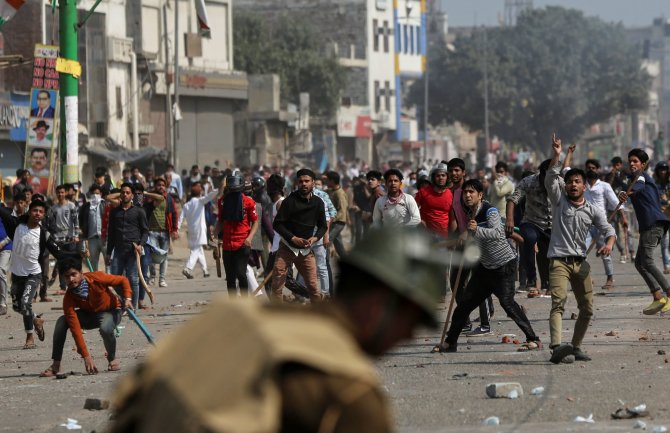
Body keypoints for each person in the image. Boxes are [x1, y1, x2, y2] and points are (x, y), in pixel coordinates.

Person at [107, 226, 445, 433]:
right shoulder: (351, 389)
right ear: (377, 305)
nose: (409, 337)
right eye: (411, 321)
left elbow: (134, 396)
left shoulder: (232, 312)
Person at [437, 179, 542, 353]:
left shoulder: (489, 210)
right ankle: (450, 343)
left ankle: (533, 339)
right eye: (465, 192)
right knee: (464, 305)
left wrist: (476, 230)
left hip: (503, 265)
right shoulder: (469, 212)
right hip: (485, 267)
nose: (467, 195)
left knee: (508, 304)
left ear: (480, 195)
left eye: (471, 192)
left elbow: (497, 233)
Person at [545, 136, 616, 364]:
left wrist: (609, 244)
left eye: (577, 181)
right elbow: (550, 177)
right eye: (569, 182)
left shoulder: (593, 209)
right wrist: (557, 155)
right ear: (565, 185)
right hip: (559, 261)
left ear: (584, 185)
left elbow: (608, 229)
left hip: (580, 263)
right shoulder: (558, 200)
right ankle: (556, 347)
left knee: (587, 309)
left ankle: (575, 347)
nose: (573, 185)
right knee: (558, 302)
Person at [39, 258, 132, 376]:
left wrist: (128, 298)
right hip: (90, 315)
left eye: (74, 274)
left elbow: (123, 280)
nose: (71, 279)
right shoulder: (69, 298)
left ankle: (112, 358)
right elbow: (76, 329)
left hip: (112, 311)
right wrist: (86, 356)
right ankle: (56, 365)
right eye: (67, 277)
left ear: (81, 273)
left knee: (106, 328)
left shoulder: (97, 277)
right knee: (62, 321)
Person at [0, 200, 66, 349]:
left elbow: (59, 252)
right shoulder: (16, 225)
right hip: (17, 274)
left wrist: (77, 256)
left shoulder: (44, 233)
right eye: (35, 210)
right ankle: (36, 319)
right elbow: (3, 212)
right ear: (30, 211)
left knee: (25, 303)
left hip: (33, 274)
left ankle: (30, 337)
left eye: (41, 212)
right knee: (18, 307)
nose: (37, 214)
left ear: (43, 215)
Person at [619, 149, 670, 316]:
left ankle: (668, 293)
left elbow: (638, 186)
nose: (632, 164)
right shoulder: (632, 180)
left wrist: (629, 192)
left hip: (654, 224)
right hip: (648, 226)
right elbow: (628, 191)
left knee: (647, 261)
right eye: (630, 161)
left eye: (635, 161)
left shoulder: (642, 177)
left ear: (643, 164)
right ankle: (657, 296)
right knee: (639, 263)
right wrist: (623, 194)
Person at [271, 168, 326, 303]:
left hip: (306, 250)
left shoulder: (318, 202)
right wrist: (293, 238)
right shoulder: (289, 201)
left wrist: (315, 238)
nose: (304, 184)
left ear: (313, 183)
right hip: (287, 247)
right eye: (301, 181)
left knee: (313, 286)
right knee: (277, 282)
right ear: (297, 183)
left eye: (307, 181)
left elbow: (323, 226)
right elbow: (277, 224)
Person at [506, 159, 553, 296]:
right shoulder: (529, 181)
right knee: (529, 239)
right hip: (531, 221)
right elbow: (512, 200)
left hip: (551, 224)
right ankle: (531, 279)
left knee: (547, 253)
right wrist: (510, 220)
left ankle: (546, 282)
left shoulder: (559, 182)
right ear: (542, 174)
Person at [106, 183, 149, 309]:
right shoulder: (114, 212)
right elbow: (111, 234)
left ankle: (132, 308)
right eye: (123, 192)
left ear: (132, 195)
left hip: (133, 251)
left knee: (133, 279)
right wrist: (109, 252)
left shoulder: (139, 212)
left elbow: (145, 231)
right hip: (118, 251)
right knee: (115, 280)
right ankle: (121, 304)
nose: (125, 195)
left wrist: (141, 245)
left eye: (127, 192)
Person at [216, 175, 259, 297]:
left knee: (241, 273)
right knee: (230, 277)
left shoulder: (249, 202)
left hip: (243, 244)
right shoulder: (222, 202)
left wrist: (249, 238)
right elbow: (220, 221)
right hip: (227, 244)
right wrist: (214, 235)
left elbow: (255, 222)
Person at [582, 158, 621, 290]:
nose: (591, 170)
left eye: (593, 168)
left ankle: (610, 278)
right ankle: (587, 278)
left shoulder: (604, 186)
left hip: (601, 224)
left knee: (605, 252)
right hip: (585, 224)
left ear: (598, 169)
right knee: (582, 252)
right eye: (588, 168)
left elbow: (615, 203)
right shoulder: (581, 185)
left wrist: (623, 218)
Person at [143, 177, 178, 288]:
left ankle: (162, 279)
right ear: (155, 186)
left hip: (165, 232)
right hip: (152, 231)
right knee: (152, 256)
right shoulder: (149, 199)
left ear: (166, 187)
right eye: (159, 185)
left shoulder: (169, 199)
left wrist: (175, 229)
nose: (161, 187)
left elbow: (174, 214)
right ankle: (152, 277)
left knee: (164, 256)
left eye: (163, 185)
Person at [179, 182, 218, 279]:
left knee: (199, 249)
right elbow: (210, 196)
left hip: (191, 231)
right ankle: (188, 268)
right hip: (200, 230)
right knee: (196, 250)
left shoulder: (186, 205)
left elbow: (180, 219)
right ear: (200, 192)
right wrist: (219, 189)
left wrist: (177, 229)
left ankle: (205, 271)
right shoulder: (200, 201)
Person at [46, 184, 80, 296]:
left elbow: (76, 221)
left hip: (70, 239)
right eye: (58, 192)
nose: (60, 194)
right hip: (58, 240)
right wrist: (53, 237)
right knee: (61, 263)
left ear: (65, 193)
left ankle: (76, 284)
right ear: (56, 194)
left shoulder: (71, 206)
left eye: (62, 192)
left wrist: (76, 235)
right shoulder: (53, 208)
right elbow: (51, 224)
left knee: (72, 262)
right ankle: (62, 287)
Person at [415, 162, 453, 239]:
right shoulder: (423, 192)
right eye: (438, 175)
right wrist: (419, 221)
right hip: (425, 236)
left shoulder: (451, 194)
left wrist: (452, 238)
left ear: (447, 177)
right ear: (433, 177)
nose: (441, 178)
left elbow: (453, 219)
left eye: (443, 175)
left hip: (443, 237)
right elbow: (413, 210)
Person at [79, 184, 106, 271]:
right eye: (93, 193)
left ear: (101, 194)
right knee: (93, 264)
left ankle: (109, 282)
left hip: (104, 238)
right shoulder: (86, 207)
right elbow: (81, 220)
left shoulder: (105, 204)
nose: (95, 195)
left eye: (97, 193)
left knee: (108, 263)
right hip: (92, 239)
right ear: (90, 194)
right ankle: (96, 282)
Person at [325, 170, 348, 258]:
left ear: (332, 181)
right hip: (335, 222)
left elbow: (342, 210)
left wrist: (331, 219)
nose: (326, 182)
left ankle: (325, 263)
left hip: (338, 222)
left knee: (327, 240)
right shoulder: (332, 191)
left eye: (328, 180)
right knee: (338, 245)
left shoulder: (340, 194)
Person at [0, 212, 12, 315]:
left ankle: (3, 304)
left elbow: (12, 231)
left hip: (6, 247)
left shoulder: (5, 213)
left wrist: (3, 243)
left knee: (0, 271)